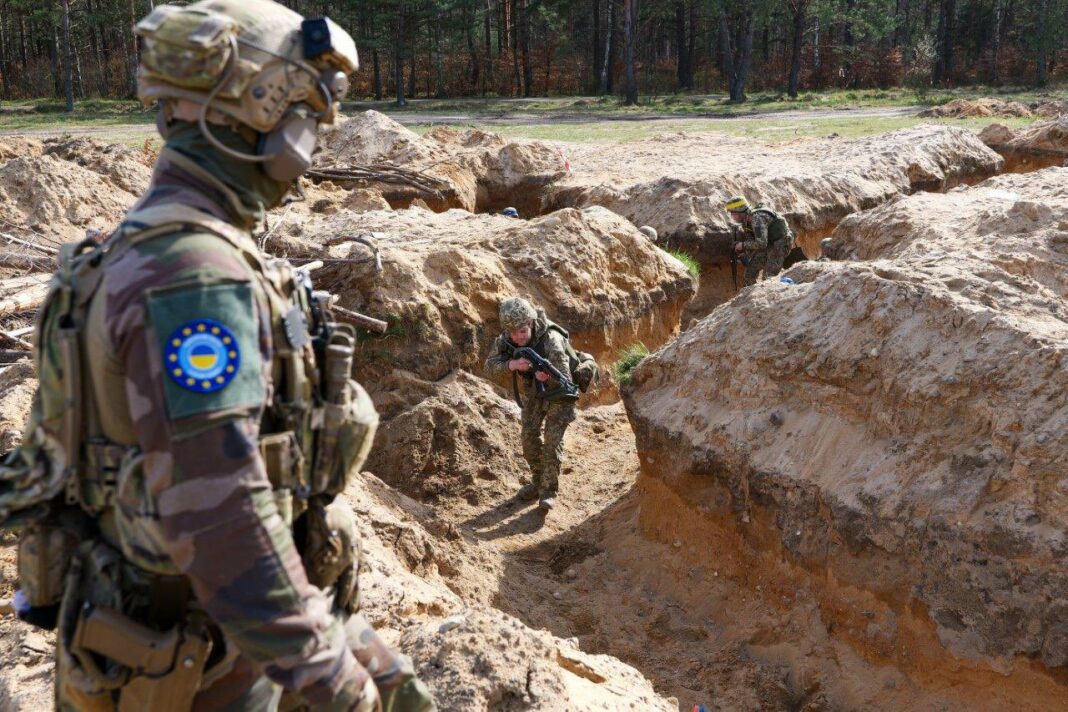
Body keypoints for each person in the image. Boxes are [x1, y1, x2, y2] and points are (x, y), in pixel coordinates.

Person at [0, 2, 433, 710]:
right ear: (260, 112)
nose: (314, 142)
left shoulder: (155, 248)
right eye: (308, 116)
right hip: (202, 661)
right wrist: (333, 677)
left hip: (209, 635)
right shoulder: (195, 277)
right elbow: (221, 511)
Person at [485, 298, 578, 512]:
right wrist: (512, 364)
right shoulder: (506, 339)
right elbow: (489, 366)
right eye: (513, 332)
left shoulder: (551, 340)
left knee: (552, 443)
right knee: (528, 439)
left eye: (522, 331)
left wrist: (547, 377)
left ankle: (548, 491)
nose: (518, 337)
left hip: (562, 394)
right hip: (536, 391)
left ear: (532, 323)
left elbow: (565, 379)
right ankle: (537, 481)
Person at [725, 196, 795, 287]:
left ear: (739, 212)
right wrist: (743, 252)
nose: (732, 216)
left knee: (769, 277)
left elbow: (761, 243)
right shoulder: (746, 221)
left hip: (779, 245)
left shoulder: (756, 218)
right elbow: (752, 239)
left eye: (733, 213)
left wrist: (743, 245)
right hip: (768, 244)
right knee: (750, 273)